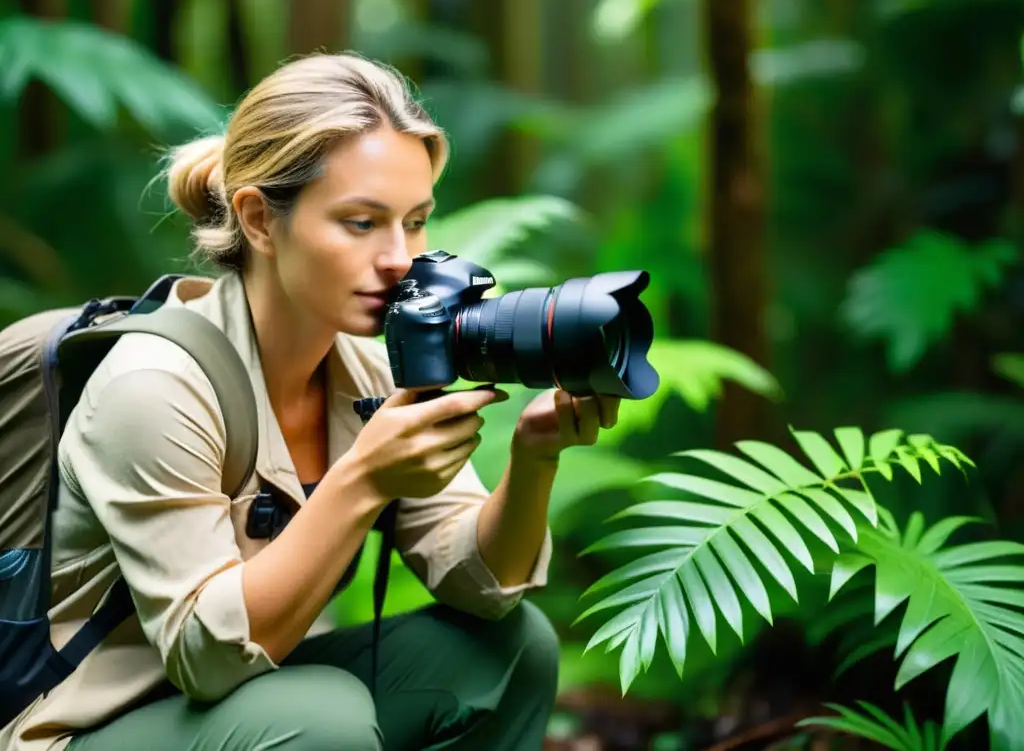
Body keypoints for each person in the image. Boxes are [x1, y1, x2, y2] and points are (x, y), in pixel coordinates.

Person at [0, 52, 622, 751]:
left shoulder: (368, 364)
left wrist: (532, 460)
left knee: (511, 652)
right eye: (361, 223)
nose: (399, 259)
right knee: (322, 718)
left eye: (415, 222)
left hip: (259, 695)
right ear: (261, 221)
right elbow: (206, 658)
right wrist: (363, 481)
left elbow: (480, 582)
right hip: (93, 728)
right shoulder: (154, 385)